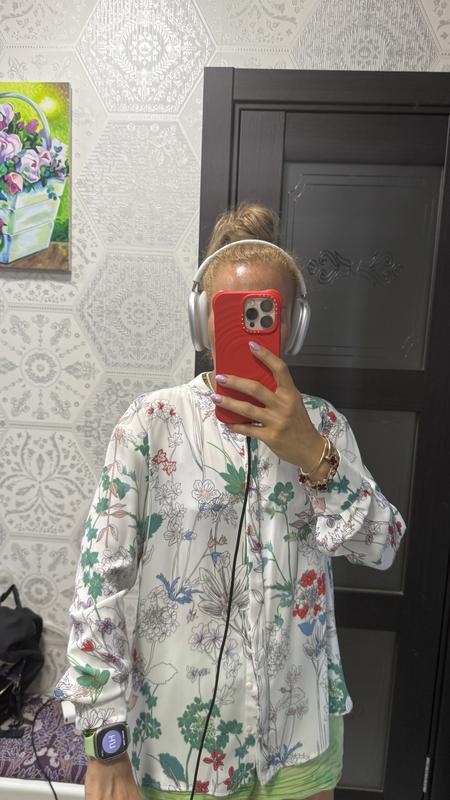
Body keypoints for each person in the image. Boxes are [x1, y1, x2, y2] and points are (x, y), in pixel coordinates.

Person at [55, 204, 406, 800]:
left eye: (265, 314)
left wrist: (312, 453)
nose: (250, 328)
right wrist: (104, 744)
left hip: (299, 736)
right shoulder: (150, 424)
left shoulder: (324, 427)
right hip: (178, 743)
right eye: (232, 312)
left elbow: (381, 549)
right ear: (203, 320)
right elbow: (98, 588)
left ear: (292, 326)